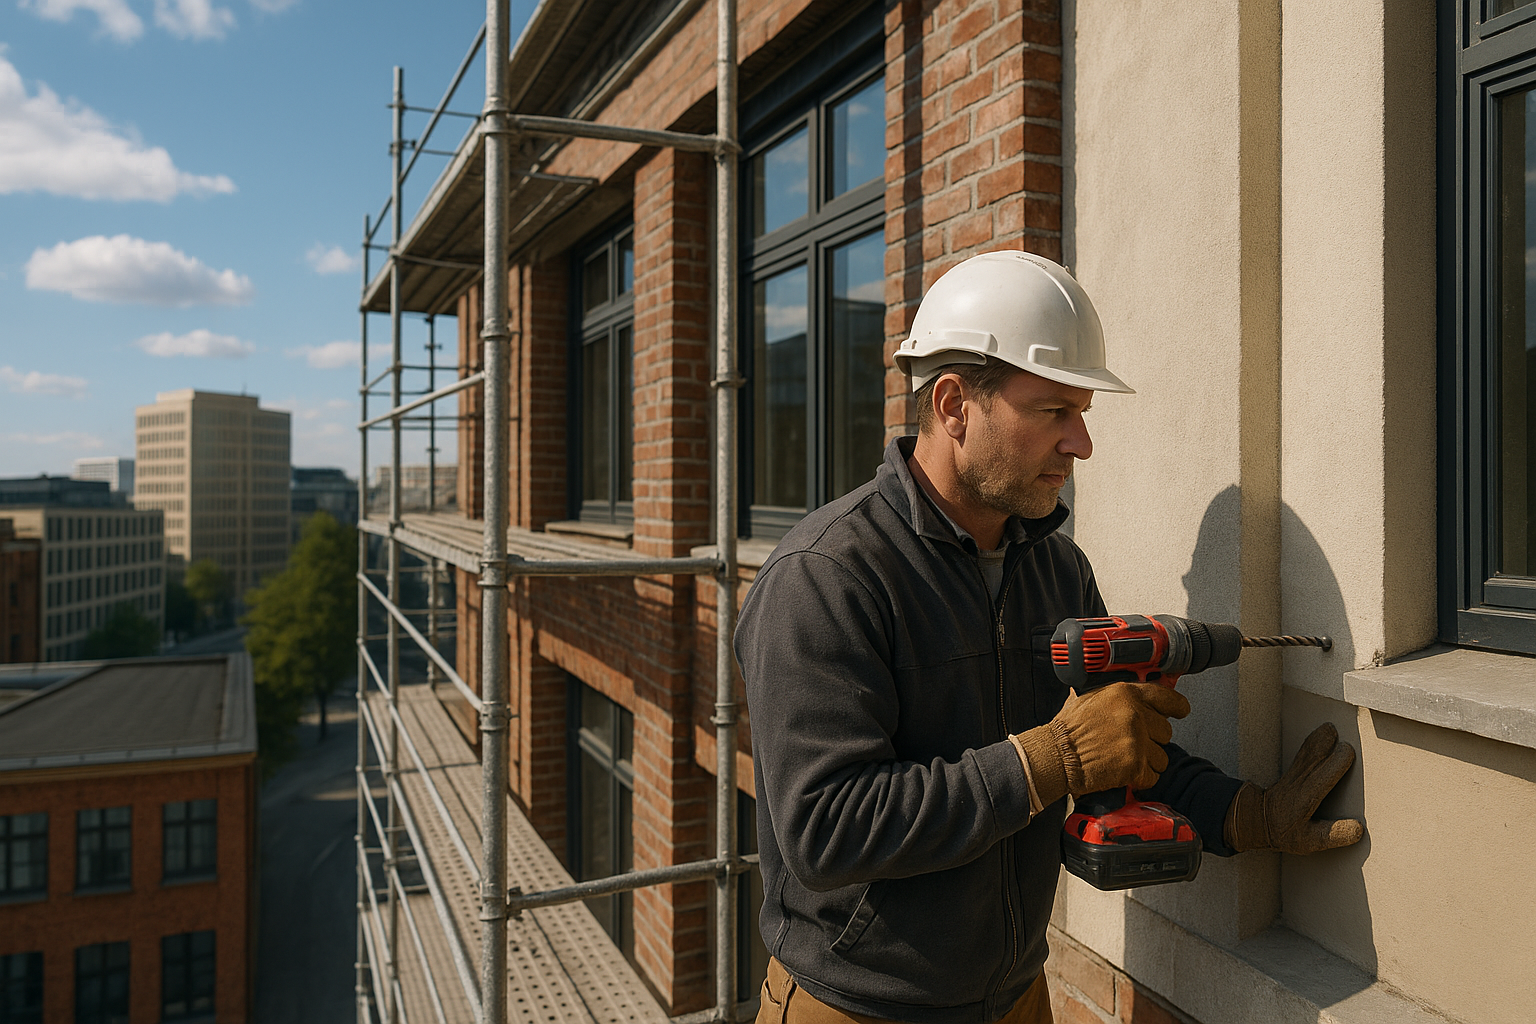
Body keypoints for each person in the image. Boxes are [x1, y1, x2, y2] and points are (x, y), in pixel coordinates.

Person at [735, 251, 1364, 1024]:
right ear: (955, 404)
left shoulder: (1056, 569)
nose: (1082, 445)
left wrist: (1244, 817)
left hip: (1017, 997)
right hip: (858, 1008)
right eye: (1053, 413)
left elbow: (1117, 751)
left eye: (1083, 416)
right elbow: (826, 831)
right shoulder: (826, 578)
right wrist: (1050, 757)